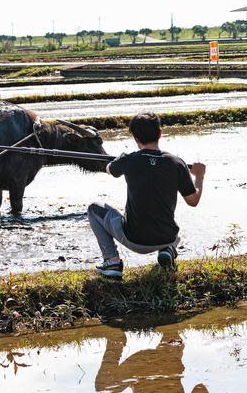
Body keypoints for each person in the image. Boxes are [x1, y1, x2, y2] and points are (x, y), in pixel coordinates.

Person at [87, 112, 206, 279]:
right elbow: (193, 201)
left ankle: (112, 260)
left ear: (135, 138)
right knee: (176, 234)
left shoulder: (128, 160)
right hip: (166, 237)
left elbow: (109, 169)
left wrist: (119, 160)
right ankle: (168, 249)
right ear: (160, 133)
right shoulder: (176, 163)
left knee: (94, 208)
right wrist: (199, 176)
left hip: (133, 239)